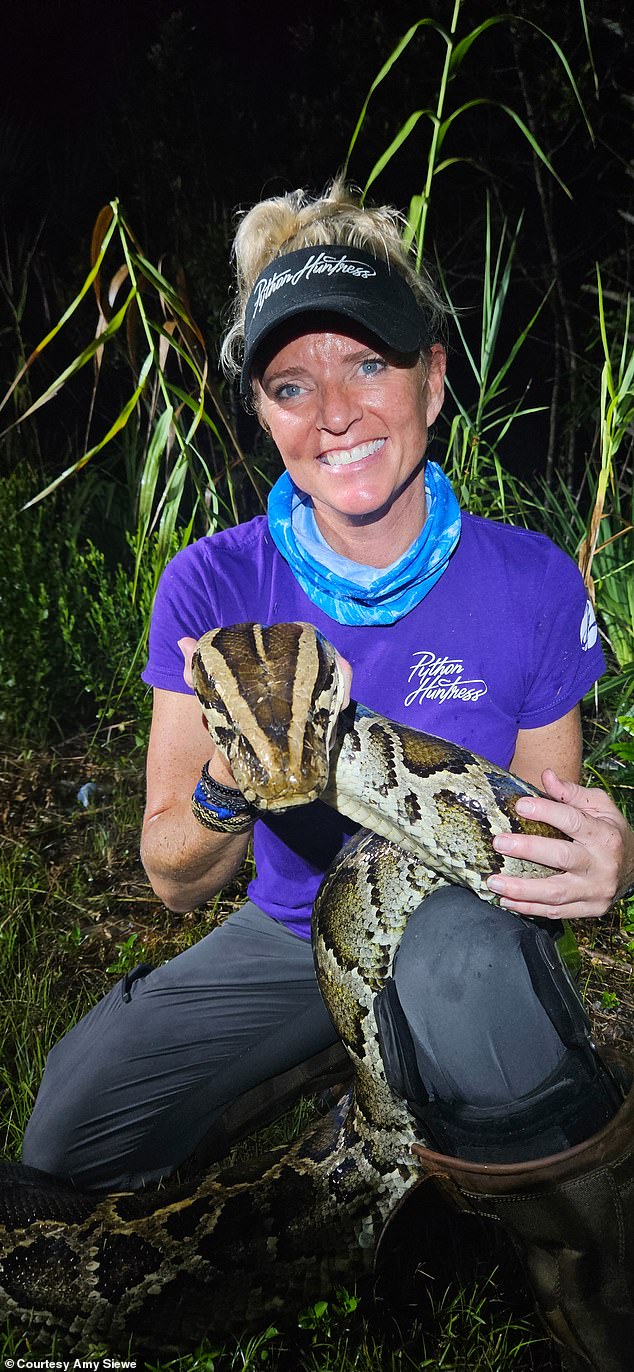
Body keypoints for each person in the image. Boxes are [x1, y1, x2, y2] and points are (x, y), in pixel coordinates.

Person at [22, 181, 634, 1366]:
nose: (336, 413)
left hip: (448, 934)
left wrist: (610, 859)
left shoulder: (532, 580)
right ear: (261, 412)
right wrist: (229, 788)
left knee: (465, 969)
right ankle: (336, 1078)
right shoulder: (209, 586)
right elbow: (170, 877)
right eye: (292, 385)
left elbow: (539, 833)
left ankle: (581, 1274)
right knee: (66, 1133)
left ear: (434, 379)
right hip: (279, 927)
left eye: (366, 366)